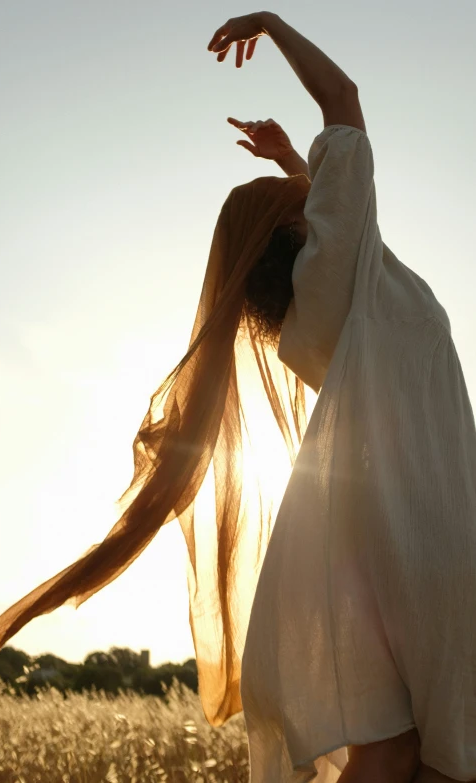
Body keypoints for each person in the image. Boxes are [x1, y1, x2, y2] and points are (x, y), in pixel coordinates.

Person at [207, 12, 476, 783]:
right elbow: (345, 99)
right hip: (428, 527)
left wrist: (291, 159)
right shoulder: (347, 270)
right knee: (434, 745)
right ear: (297, 229)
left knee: (398, 747)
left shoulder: (310, 313)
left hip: (373, 533)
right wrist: (271, 23)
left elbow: (333, 211)